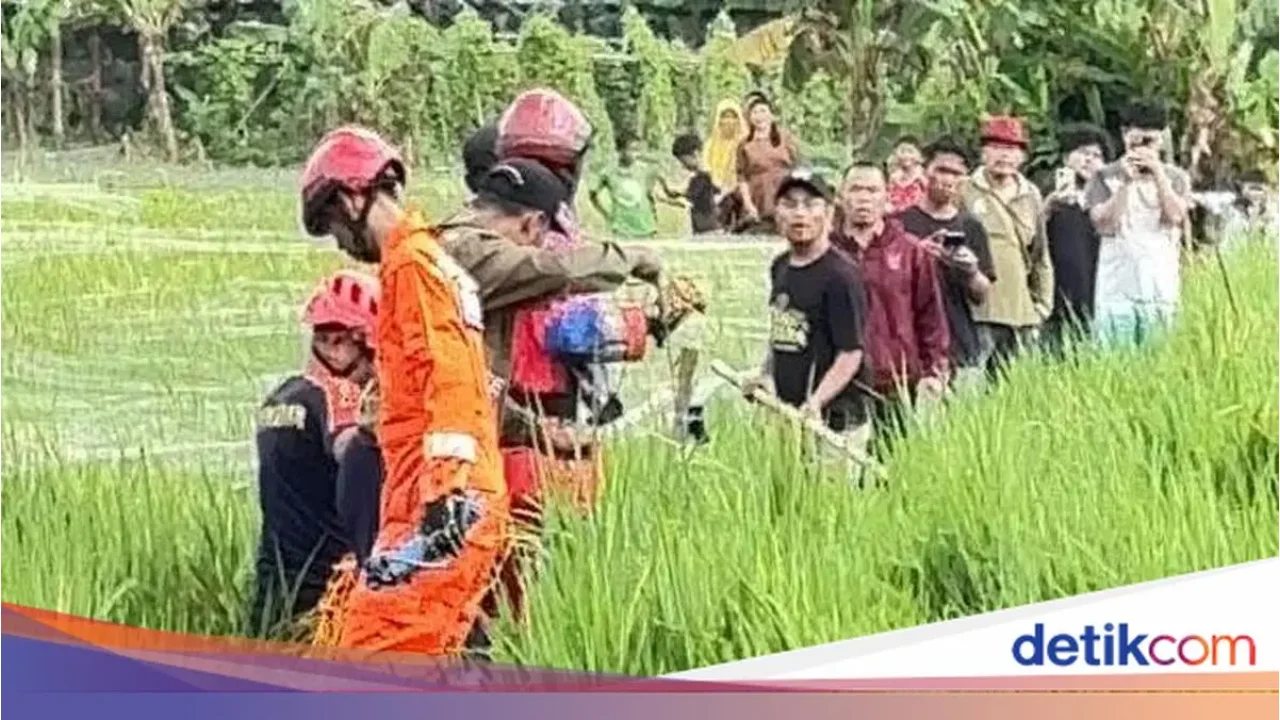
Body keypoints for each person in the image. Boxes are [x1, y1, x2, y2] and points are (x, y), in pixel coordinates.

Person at [299, 125, 506, 658]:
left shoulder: (413, 267)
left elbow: (451, 378)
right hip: (440, 503)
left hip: (440, 510)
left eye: (332, 226)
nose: (340, 245)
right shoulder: (424, 262)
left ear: (352, 198)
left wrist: (444, 497)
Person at [248, 270, 379, 637]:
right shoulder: (339, 396)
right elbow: (351, 449)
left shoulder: (280, 397)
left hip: (272, 598)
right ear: (343, 343)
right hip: (325, 604)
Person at [744, 168, 872, 460]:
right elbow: (782, 333)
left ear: (828, 214)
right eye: (789, 204)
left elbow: (851, 352)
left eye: (810, 204)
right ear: (777, 214)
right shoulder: (780, 267)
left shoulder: (841, 276)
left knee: (830, 503)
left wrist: (816, 403)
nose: (799, 214)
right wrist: (765, 376)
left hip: (834, 422)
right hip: (788, 415)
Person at [835, 161, 950, 442]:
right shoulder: (826, 252)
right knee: (837, 472)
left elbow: (930, 316)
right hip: (837, 383)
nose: (863, 198)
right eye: (856, 189)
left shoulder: (910, 251)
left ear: (887, 196)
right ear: (840, 196)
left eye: (872, 190)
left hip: (895, 379)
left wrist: (935, 370)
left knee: (890, 467)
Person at [1084, 99, 1193, 348]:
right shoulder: (1103, 176)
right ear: (1124, 136)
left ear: (1162, 139)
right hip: (1116, 292)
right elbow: (1104, 224)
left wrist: (1158, 174)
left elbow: (1175, 216)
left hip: (1160, 290)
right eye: (1137, 141)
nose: (1143, 148)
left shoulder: (1177, 178)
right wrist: (1125, 181)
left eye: (1150, 141)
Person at [895, 138, 995, 392]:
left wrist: (970, 270)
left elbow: (982, 293)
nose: (948, 180)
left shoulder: (970, 226)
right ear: (925, 171)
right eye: (941, 170)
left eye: (956, 174)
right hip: (910, 342)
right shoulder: (898, 223)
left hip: (960, 340)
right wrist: (916, 253)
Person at [962, 115, 1054, 379]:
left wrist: (1042, 306)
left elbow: (1040, 255)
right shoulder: (966, 190)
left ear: (1022, 156)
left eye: (1011, 149)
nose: (1003, 155)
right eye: (996, 147)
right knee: (971, 388)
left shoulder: (1031, 194)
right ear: (983, 152)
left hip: (1021, 312)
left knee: (1012, 388)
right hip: (978, 312)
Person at [1042, 123, 1109, 355]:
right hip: (1056, 299)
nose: (1090, 160)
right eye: (1082, 153)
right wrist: (1048, 207)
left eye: (1097, 155)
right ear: (1065, 157)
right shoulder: (1047, 193)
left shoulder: (1109, 198)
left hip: (1098, 295)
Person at [736, 92, 800, 234]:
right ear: (749, 117)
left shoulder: (786, 139)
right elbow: (742, 177)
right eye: (755, 112)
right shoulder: (745, 144)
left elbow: (798, 167)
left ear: (771, 115)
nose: (759, 116)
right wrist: (748, 204)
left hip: (783, 192)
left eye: (763, 111)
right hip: (758, 194)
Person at [589, 134, 668, 239]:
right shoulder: (609, 172)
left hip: (646, 227)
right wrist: (606, 215)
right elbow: (593, 195)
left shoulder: (644, 169)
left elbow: (659, 174)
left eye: (637, 150)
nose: (635, 154)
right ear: (620, 151)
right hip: (622, 229)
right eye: (632, 150)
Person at [703, 99, 748, 230]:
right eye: (725, 117)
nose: (729, 121)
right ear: (719, 120)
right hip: (716, 190)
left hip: (740, 191)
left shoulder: (745, 143)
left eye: (733, 117)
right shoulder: (710, 145)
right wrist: (717, 186)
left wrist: (731, 187)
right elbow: (706, 168)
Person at [664, 133, 721, 234]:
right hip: (706, 225)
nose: (683, 165)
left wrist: (667, 193)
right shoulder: (704, 176)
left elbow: (687, 198)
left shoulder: (701, 178)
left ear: (695, 154)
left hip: (706, 228)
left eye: (683, 161)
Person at [1221, 169, 1278, 248]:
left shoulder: (1274, 217)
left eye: (1259, 189)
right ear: (1242, 190)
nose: (1255, 194)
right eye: (1252, 189)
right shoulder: (1233, 215)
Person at [887, 136, 927, 214]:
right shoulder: (893, 178)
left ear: (920, 156)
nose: (906, 155)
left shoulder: (923, 177)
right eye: (902, 151)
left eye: (910, 152)